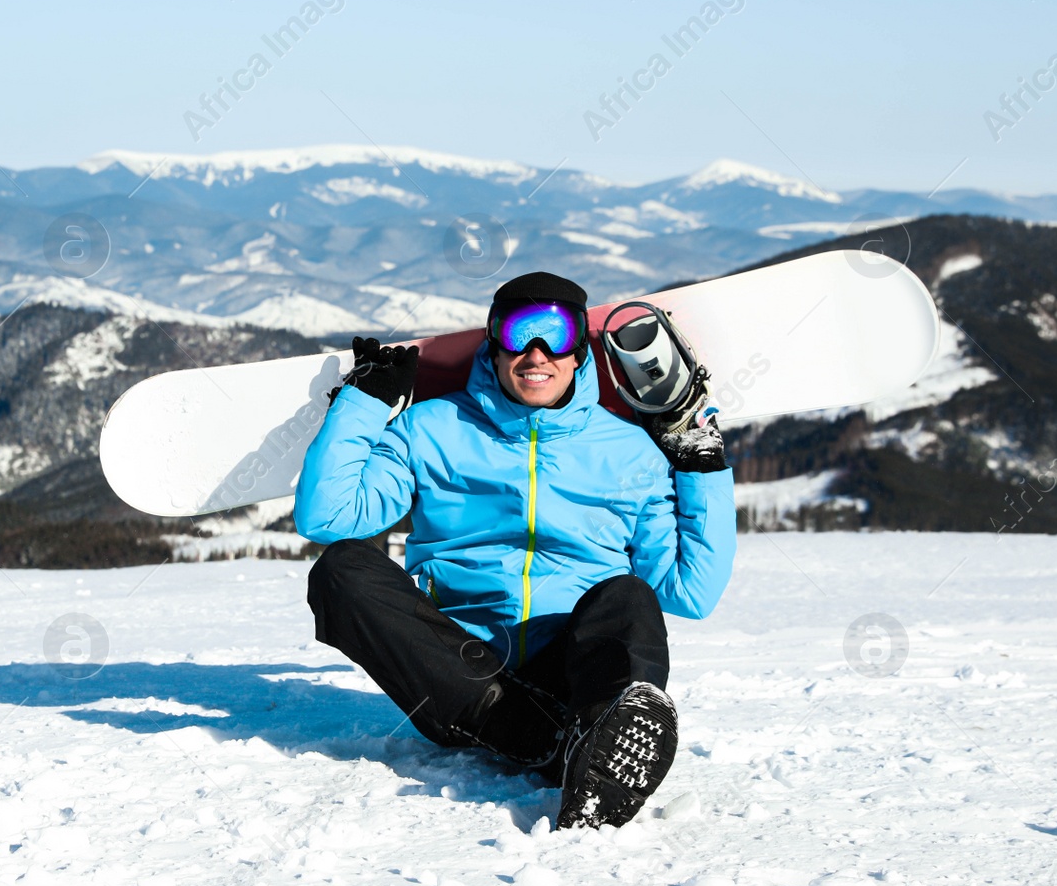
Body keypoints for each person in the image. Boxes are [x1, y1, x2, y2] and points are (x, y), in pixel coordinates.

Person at [294, 271, 736, 828]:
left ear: (579, 351)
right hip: (459, 672)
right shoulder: (430, 428)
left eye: (555, 335)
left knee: (626, 595)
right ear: (493, 343)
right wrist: (364, 403)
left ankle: (602, 742)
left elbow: (690, 593)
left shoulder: (630, 452)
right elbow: (327, 516)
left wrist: (702, 466)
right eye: (517, 333)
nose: (535, 354)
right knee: (341, 569)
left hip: (573, 670)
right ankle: (555, 738)